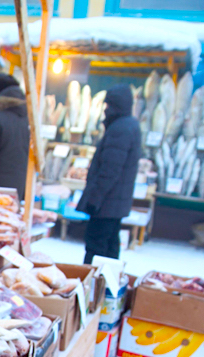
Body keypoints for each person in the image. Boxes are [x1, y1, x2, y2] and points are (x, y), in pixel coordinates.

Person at [76, 85, 142, 264]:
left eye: (108, 105)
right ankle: (107, 287)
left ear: (115, 106)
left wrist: (93, 200)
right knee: (110, 247)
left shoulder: (120, 129)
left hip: (106, 203)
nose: (105, 109)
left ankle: (93, 288)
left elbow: (110, 170)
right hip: (115, 203)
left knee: (96, 248)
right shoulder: (129, 125)